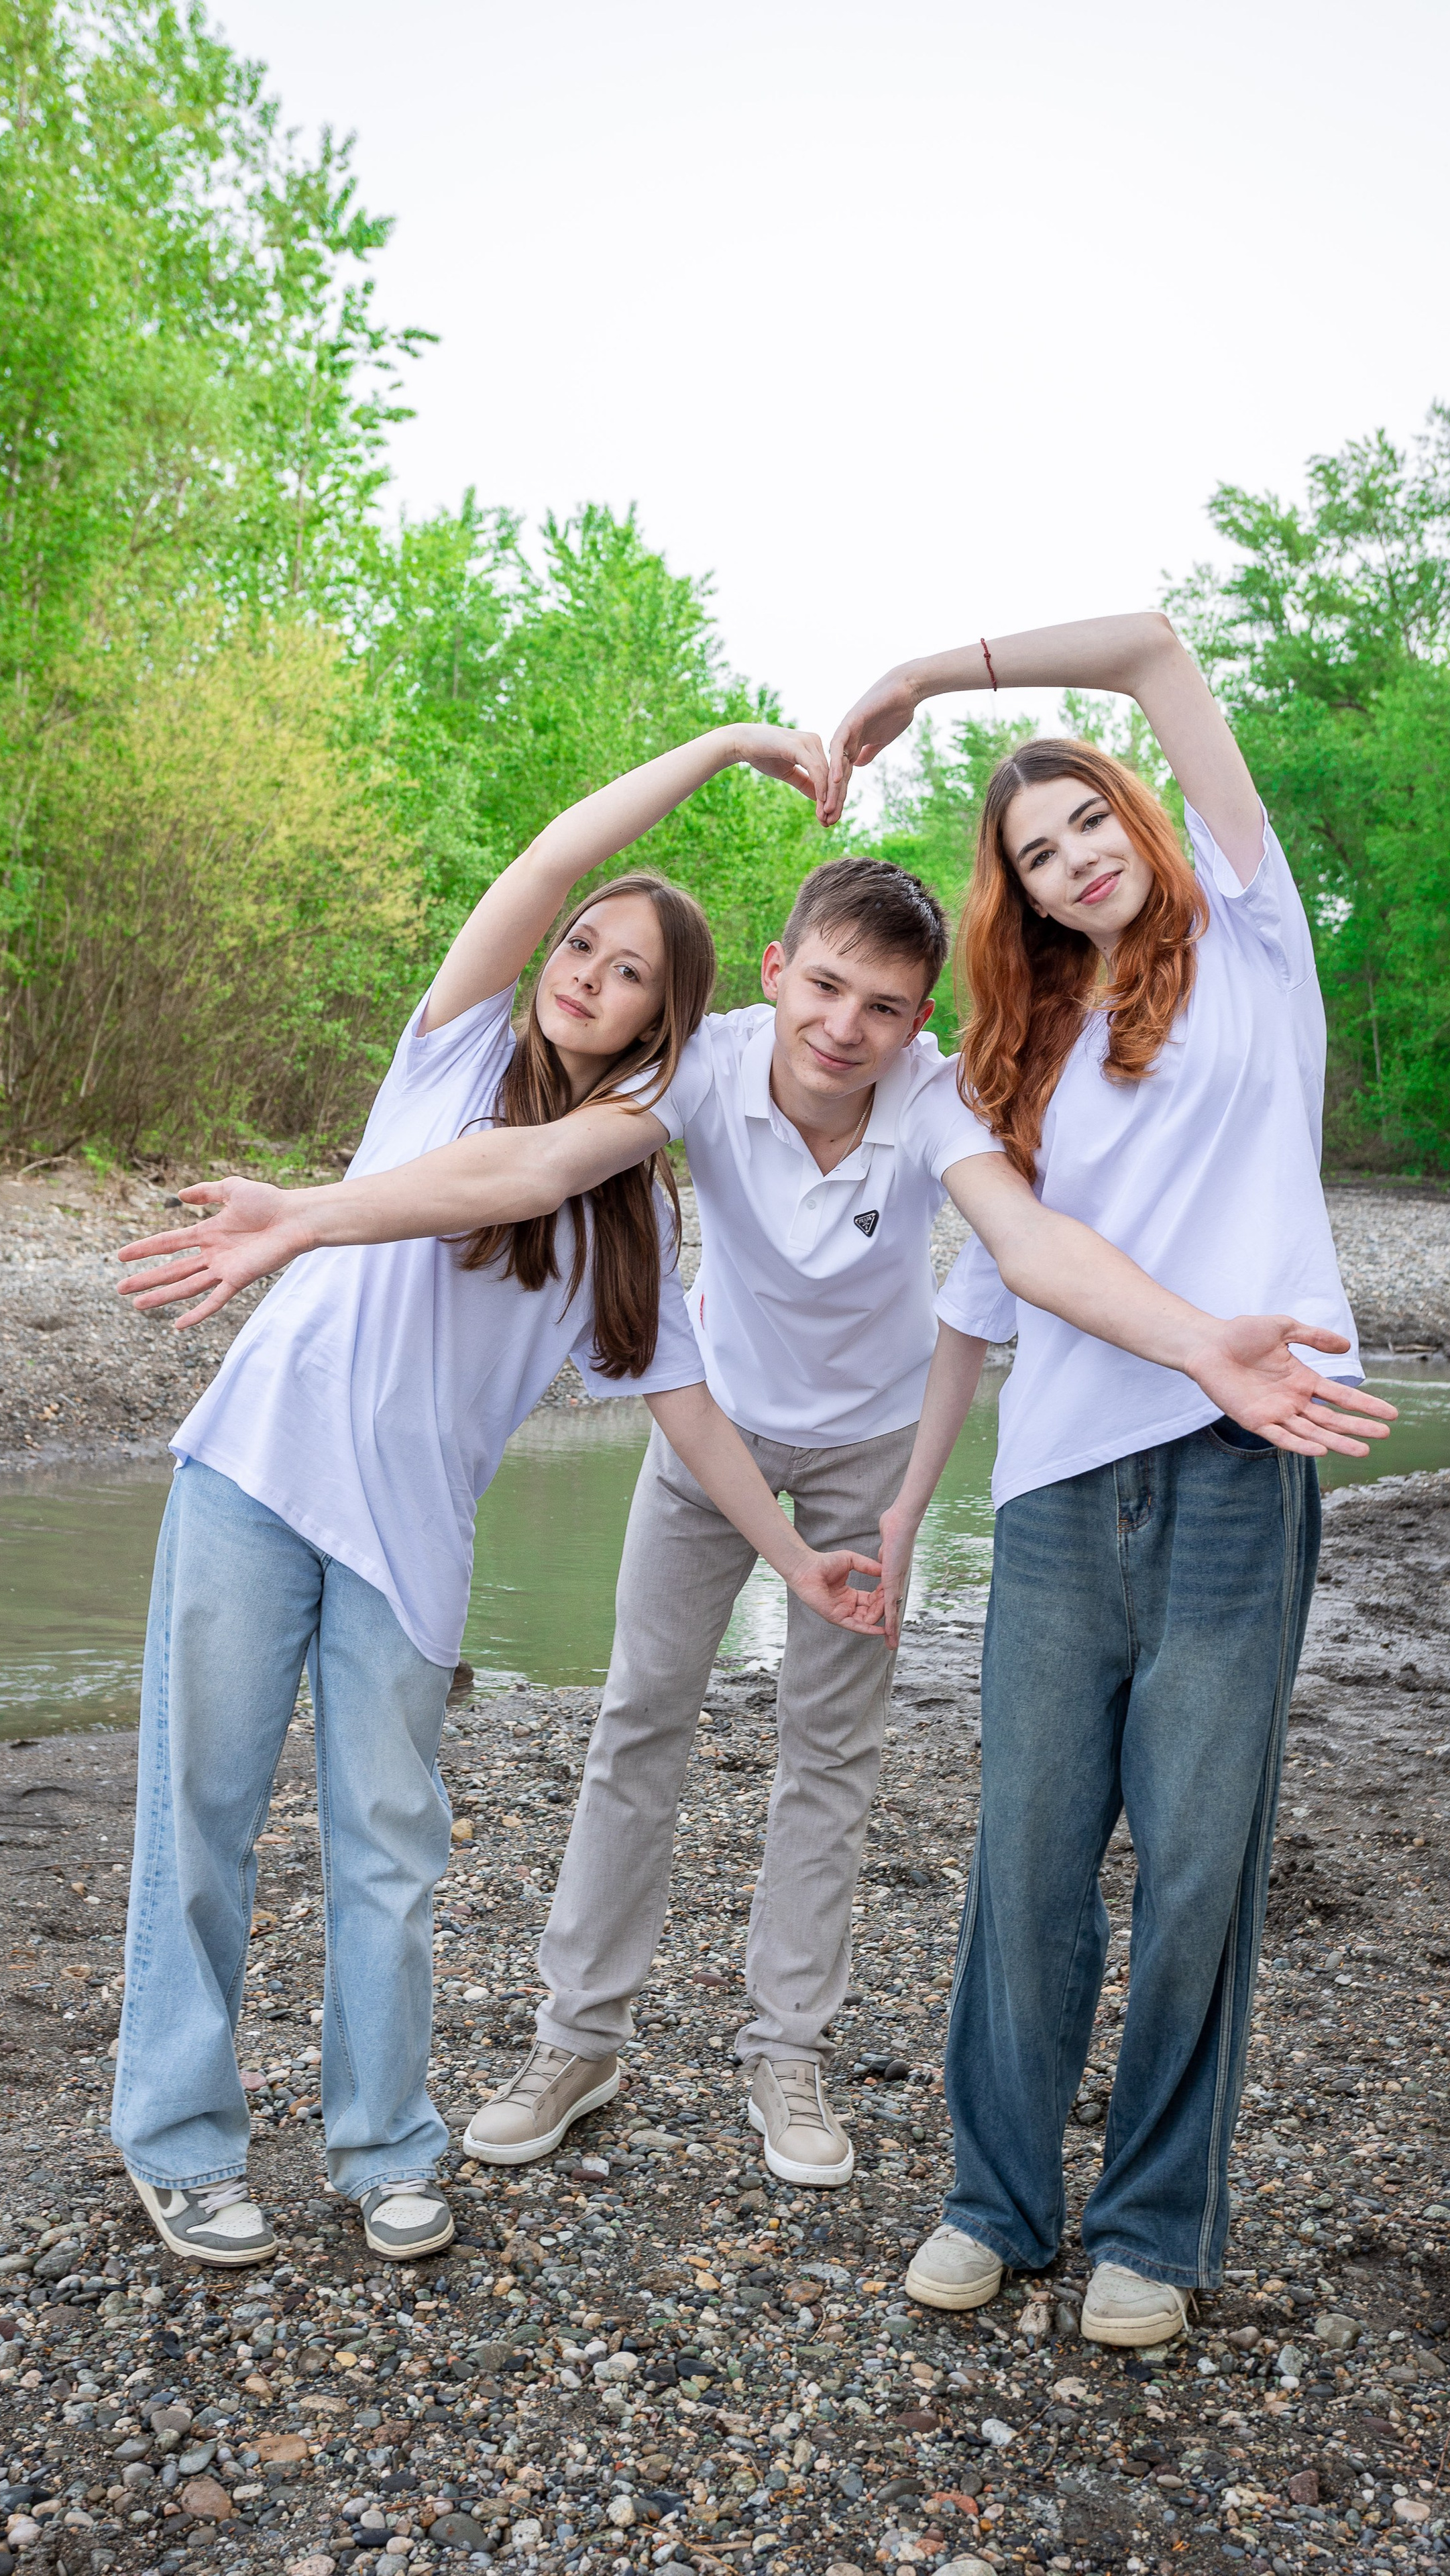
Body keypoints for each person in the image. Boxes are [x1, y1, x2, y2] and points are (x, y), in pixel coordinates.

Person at [123, 819, 1382, 2204]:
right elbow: (534, 1168)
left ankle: (786, 2053)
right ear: (777, 971)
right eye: (825, 987)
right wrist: (307, 1213)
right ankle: (573, 2045)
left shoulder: (937, 1101)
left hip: (869, 1442)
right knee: (633, 1724)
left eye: (885, 1008)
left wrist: (1185, 1349)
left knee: (827, 1757)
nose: (845, 1028)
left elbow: (1017, 1256)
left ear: (918, 1024)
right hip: (712, 1425)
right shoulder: (705, 1061)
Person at [109, 720, 897, 2270]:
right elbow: (547, 857)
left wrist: (795, 1561)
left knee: (386, 1850)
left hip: (406, 1546)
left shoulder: (619, 1197)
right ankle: (181, 2143)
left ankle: (381, 2144)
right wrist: (726, 746)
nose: (585, 971)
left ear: (662, 1028)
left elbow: (689, 1408)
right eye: (584, 947)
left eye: (626, 975)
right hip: (254, 1478)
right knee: (196, 1821)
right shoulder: (454, 1045)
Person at [820, 610, 1394, 2343]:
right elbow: (983, 1313)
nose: (1073, 864)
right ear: (1016, 894)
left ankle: (1153, 2229)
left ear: (1139, 824)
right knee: (1030, 1859)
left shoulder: (1261, 945)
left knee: (1204, 1868)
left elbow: (1153, 646)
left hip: (1240, 1468)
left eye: (1087, 825)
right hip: (1064, 1491)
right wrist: (913, 1508)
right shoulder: (1018, 1059)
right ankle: (996, 2200)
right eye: (1034, 854)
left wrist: (935, 680)